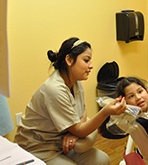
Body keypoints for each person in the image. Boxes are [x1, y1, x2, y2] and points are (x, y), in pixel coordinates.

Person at [14, 37, 126, 165]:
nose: (91, 66)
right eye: (86, 60)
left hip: (62, 143)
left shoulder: (76, 83)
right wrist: (104, 112)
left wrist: (75, 133)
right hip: (39, 148)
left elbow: (83, 113)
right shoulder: (54, 89)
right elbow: (79, 128)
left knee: (102, 160)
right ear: (69, 60)